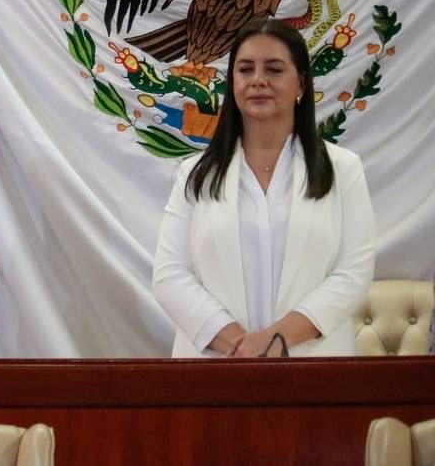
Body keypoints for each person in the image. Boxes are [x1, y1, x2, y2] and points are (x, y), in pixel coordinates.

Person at [152, 18, 375, 357]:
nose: (258, 80)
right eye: (245, 69)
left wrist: (275, 340)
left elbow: (353, 273)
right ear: (232, 83)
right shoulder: (194, 174)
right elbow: (169, 276)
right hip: (215, 363)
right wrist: (241, 347)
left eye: (274, 69)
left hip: (314, 364)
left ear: (301, 84)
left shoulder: (343, 169)